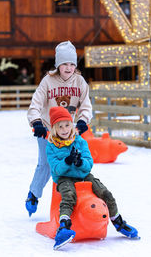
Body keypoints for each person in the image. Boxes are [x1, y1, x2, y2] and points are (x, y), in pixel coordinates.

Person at [47, 106, 139, 250]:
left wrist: (79, 162)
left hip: (83, 175)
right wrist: (67, 161)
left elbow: (89, 163)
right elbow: (55, 168)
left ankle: (119, 222)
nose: (64, 129)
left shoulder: (80, 142)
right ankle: (63, 226)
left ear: (72, 125)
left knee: (105, 193)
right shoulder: (51, 146)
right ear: (54, 129)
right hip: (65, 178)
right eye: (60, 127)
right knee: (69, 196)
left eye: (67, 125)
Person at [26, 40, 92, 216]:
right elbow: (35, 105)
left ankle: (75, 203)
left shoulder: (80, 82)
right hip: (48, 131)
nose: (69, 68)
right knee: (47, 165)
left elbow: (86, 105)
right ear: (58, 65)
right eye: (64, 64)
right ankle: (34, 194)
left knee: (74, 162)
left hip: (69, 131)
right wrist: (37, 122)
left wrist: (83, 120)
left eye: (72, 64)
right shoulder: (48, 81)